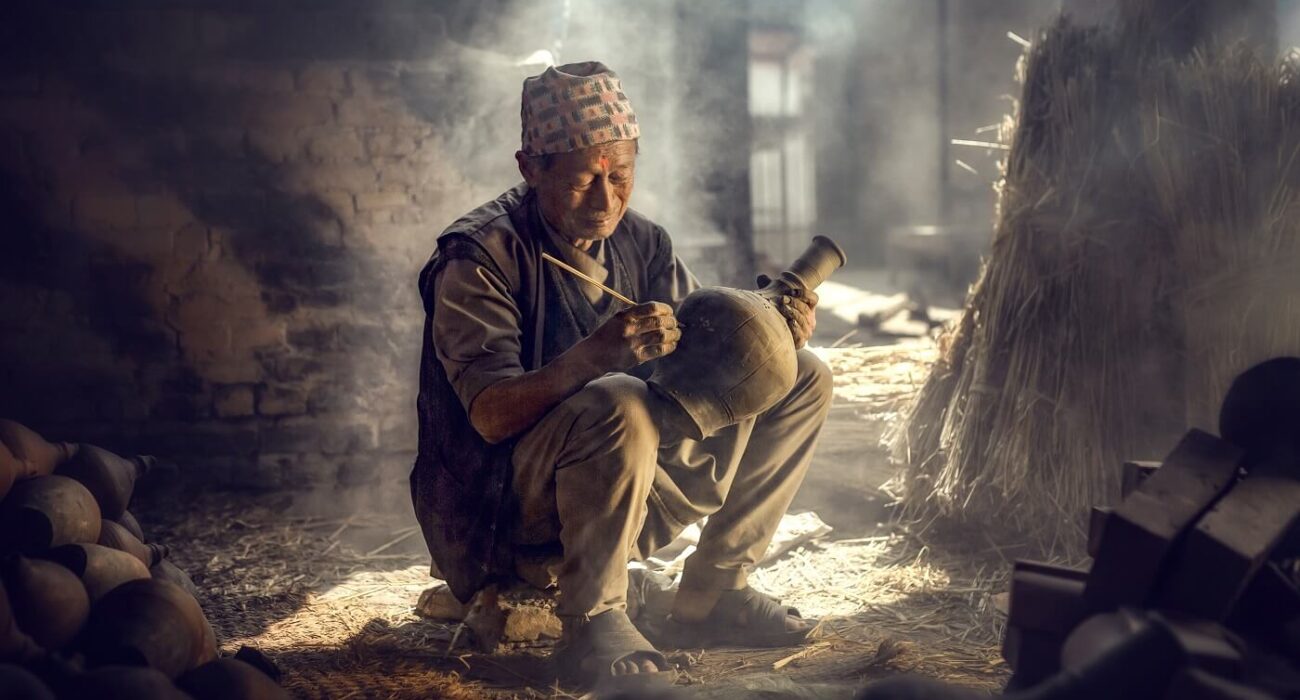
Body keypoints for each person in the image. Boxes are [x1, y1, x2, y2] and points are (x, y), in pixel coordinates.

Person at [411, 61, 833, 685]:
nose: (607, 200)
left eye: (622, 175)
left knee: (800, 377)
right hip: (500, 507)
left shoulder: (643, 243)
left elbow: (705, 354)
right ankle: (593, 620)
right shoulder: (479, 257)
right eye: (584, 181)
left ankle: (712, 592)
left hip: (620, 487)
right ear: (531, 168)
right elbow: (490, 414)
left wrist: (771, 326)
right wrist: (595, 355)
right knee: (619, 398)